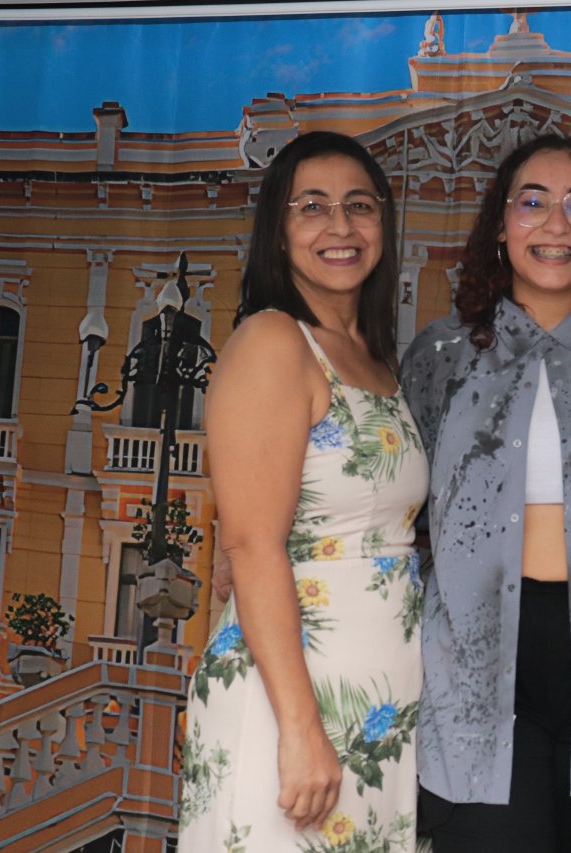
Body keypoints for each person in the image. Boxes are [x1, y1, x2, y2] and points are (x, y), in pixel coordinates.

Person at [400, 134, 571, 853]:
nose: (556, 224)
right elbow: (400, 496)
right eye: (533, 203)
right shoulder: (440, 355)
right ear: (500, 223)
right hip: (476, 666)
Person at [179, 131, 428, 852]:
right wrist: (299, 727)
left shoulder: (375, 359)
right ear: (278, 232)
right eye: (311, 207)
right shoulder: (273, 340)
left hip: (375, 700)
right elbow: (252, 543)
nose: (340, 226)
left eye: (359, 205)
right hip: (293, 699)